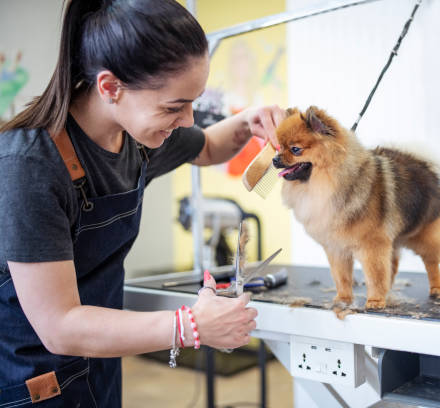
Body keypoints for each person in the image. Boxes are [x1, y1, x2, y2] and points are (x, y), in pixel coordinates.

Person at [0, 0, 285, 406]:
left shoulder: (135, 138)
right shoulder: (29, 166)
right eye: (174, 106)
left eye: (193, 101)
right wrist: (188, 326)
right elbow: (59, 325)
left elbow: (208, 146)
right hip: (34, 384)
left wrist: (247, 120)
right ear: (110, 87)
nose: (187, 120)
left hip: (99, 364)